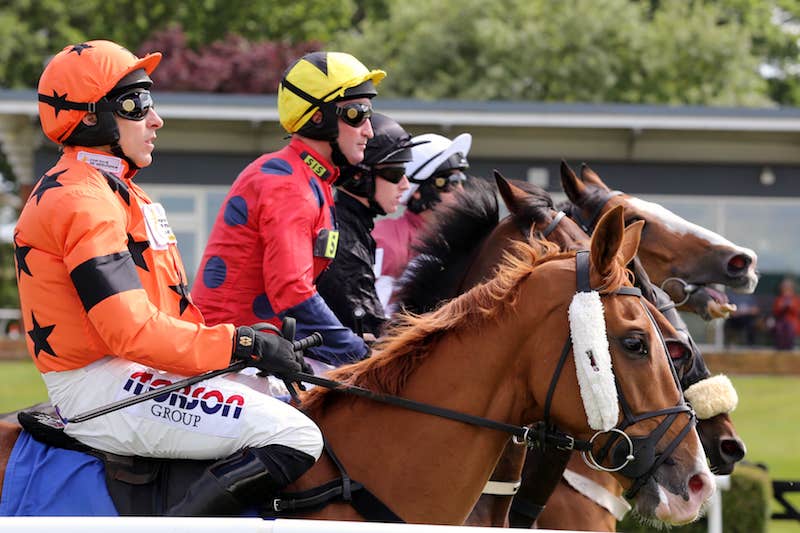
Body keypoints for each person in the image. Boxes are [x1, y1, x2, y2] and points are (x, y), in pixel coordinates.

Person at [17, 39, 321, 516]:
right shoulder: (82, 199)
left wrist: (240, 351)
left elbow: (166, 318)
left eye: (150, 102)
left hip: (132, 369)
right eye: (137, 104)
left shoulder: (120, 192)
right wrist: (240, 345)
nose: (154, 119)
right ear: (92, 116)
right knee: (295, 435)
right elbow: (129, 330)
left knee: (293, 395)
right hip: (100, 384)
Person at [192, 51, 385, 369]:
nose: (369, 130)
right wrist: (357, 352)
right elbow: (292, 292)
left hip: (265, 347)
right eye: (356, 114)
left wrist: (346, 340)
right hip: (227, 357)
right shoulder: (289, 185)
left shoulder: (314, 179)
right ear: (318, 117)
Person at [316, 113, 420, 340]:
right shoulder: (343, 238)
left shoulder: (354, 228)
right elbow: (368, 328)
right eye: (395, 173)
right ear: (358, 178)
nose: (405, 185)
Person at [372, 132, 472, 312]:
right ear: (418, 190)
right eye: (451, 182)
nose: (461, 192)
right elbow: (373, 318)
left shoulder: (460, 244)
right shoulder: (385, 239)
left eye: (461, 180)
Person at [771, 277, 800, 350]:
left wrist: (790, 307)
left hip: (793, 321)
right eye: (784, 286)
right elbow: (775, 312)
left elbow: (797, 312)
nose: (786, 288)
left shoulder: (796, 299)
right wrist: (783, 308)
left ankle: (789, 349)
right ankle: (780, 349)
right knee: (779, 328)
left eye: (788, 286)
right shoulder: (779, 299)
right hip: (780, 321)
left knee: (790, 328)